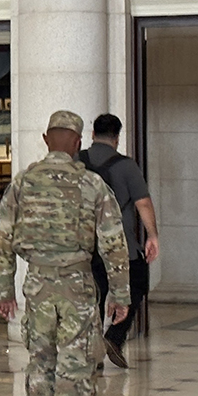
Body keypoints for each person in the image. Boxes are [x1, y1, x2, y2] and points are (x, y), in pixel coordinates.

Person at [0, 109, 131, 396]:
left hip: (37, 286)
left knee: (40, 362)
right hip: (76, 287)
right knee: (75, 367)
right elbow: (114, 244)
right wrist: (119, 294)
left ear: (45, 139)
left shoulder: (22, 183)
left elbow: (3, 238)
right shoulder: (92, 186)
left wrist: (3, 288)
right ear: (77, 143)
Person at [78, 113, 159, 369]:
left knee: (93, 295)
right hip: (119, 243)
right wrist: (152, 235)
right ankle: (114, 336)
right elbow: (142, 202)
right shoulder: (126, 166)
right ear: (117, 137)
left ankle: (91, 355)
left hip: (82, 243)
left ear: (92, 135)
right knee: (136, 284)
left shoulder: (76, 160)